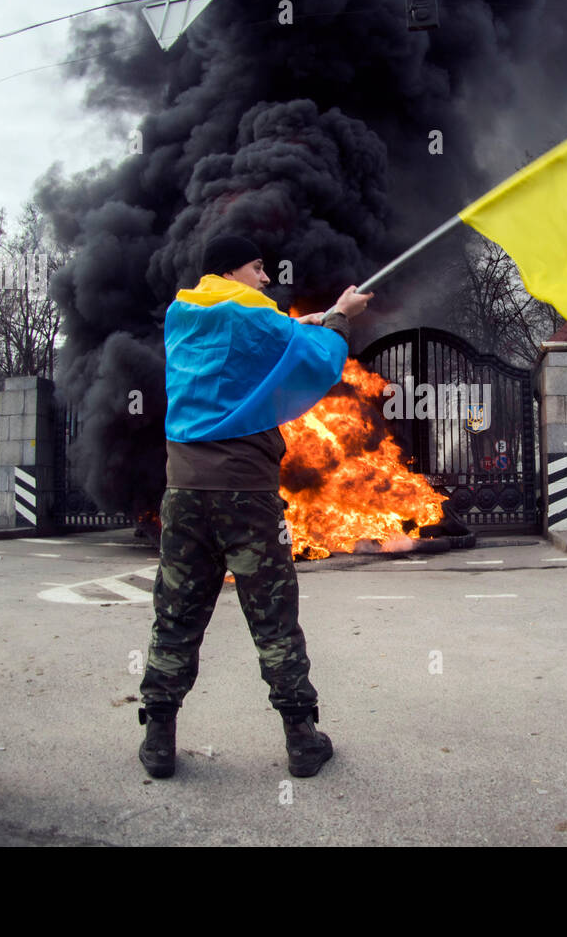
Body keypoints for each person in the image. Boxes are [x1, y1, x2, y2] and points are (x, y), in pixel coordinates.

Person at [138, 234, 372, 781]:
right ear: (233, 270)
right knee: (273, 621)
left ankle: (158, 741)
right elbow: (315, 359)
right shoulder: (253, 314)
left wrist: (306, 321)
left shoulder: (182, 314)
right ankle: (302, 741)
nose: (267, 278)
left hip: (183, 494)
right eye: (258, 267)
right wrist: (340, 317)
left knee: (175, 616)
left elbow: (263, 343)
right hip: (245, 495)